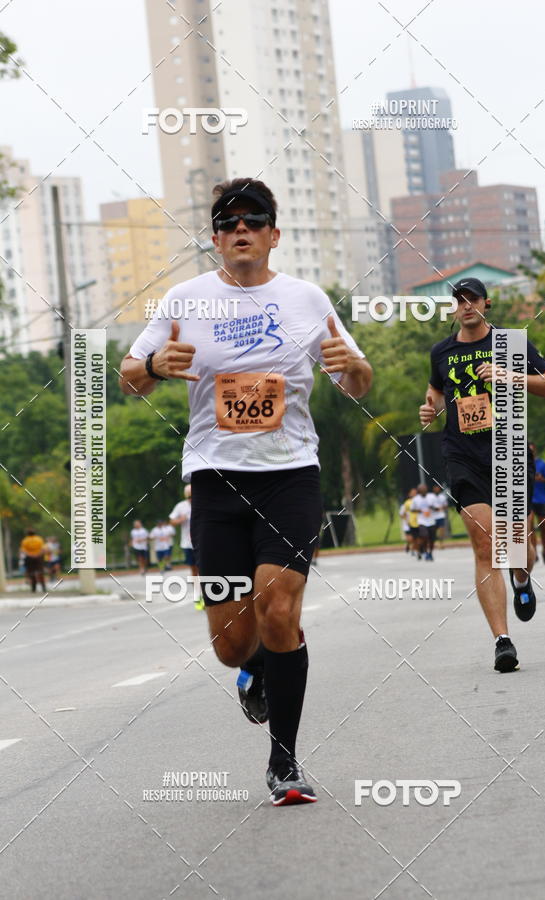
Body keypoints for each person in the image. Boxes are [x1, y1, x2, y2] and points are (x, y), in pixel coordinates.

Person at [119, 177, 371, 806]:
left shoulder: (307, 299)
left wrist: (354, 368)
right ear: (215, 239)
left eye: (253, 221)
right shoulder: (184, 299)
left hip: (291, 474)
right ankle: (254, 668)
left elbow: (357, 381)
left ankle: (284, 761)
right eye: (228, 222)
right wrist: (152, 367)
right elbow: (127, 376)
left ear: (273, 235)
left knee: (279, 609)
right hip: (215, 480)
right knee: (231, 645)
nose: (240, 230)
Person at [419, 277, 545, 672]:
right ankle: (503, 641)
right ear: (453, 308)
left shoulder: (511, 344)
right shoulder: (441, 351)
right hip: (462, 455)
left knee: (518, 549)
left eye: (473, 299)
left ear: (486, 304)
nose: (466, 306)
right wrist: (430, 409)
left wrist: (509, 376)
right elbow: (437, 395)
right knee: (486, 547)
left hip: (510, 451)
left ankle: (521, 578)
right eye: (459, 300)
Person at [170, 486, 205, 610]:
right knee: (194, 571)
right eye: (189, 497)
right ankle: (198, 597)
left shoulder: (202, 503)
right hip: (188, 544)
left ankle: (207, 596)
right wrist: (180, 519)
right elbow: (172, 521)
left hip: (202, 543)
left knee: (204, 570)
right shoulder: (181, 506)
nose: (191, 499)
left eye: (193, 496)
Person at [529, 443, 545, 564]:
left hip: (541, 500)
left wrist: (542, 479)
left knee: (544, 527)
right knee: (530, 527)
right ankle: (534, 552)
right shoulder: (520, 464)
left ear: (535, 451)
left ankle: (544, 550)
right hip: (528, 500)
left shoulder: (542, 464)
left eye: (532, 450)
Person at [411, 484, 435, 561]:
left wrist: (432, 507)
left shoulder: (431, 496)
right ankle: (425, 552)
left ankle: (430, 553)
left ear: (426, 490)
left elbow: (437, 507)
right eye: (421, 491)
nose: (423, 492)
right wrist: (419, 510)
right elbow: (412, 509)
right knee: (424, 536)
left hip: (431, 521)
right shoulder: (416, 499)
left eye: (424, 490)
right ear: (419, 491)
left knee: (432, 539)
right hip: (422, 521)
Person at [19, 528, 46, 593]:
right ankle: (43, 587)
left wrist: (31, 555)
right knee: (40, 572)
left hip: (29, 558)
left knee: (31, 572)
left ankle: (33, 588)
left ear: (27, 533)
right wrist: (37, 555)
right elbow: (43, 549)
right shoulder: (39, 539)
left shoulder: (25, 540)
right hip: (39, 557)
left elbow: (23, 550)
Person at [431, 484, 449, 548]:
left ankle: (441, 543)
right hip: (433, 517)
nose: (436, 490)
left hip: (441, 516)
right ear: (433, 489)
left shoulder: (442, 497)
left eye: (438, 488)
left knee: (441, 530)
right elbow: (429, 505)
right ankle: (432, 543)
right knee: (433, 531)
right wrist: (434, 509)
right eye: (435, 488)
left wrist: (441, 508)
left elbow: (446, 506)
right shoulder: (430, 497)